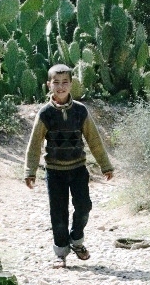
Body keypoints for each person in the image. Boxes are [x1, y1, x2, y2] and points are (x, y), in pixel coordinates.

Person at [24, 64, 114, 267]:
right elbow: (34, 144)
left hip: (78, 169)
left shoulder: (80, 111)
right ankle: (61, 252)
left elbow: (94, 140)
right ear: (49, 85)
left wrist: (105, 165)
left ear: (72, 85)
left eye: (65, 82)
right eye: (56, 82)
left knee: (84, 207)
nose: (61, 86)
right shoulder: (45, 113)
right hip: (55, 172)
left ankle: (76, 239)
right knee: (58, 213)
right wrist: (30, 171)